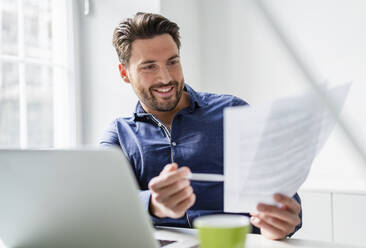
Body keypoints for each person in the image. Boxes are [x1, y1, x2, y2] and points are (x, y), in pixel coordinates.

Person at [100, 12, 302, 240]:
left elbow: (284, 199)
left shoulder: (233, 112)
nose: (166, 77)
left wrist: (279, 223)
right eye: (149, 67)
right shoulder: (118, 134)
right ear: (125, 73)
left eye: (173, 62)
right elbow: (105, 203)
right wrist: (153, 204)